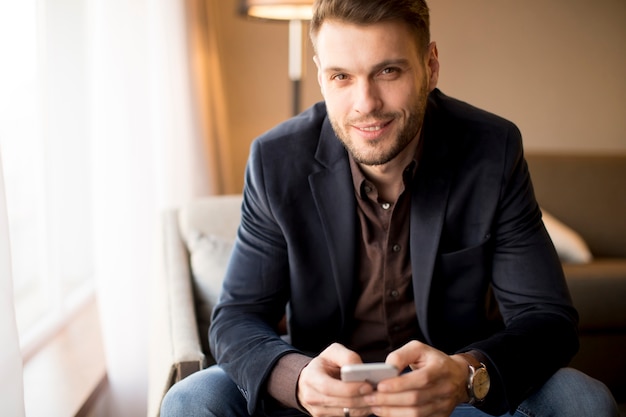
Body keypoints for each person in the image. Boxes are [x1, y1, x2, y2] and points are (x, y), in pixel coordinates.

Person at [161, 0, 619, 416]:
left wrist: (466, 374)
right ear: (321, 74)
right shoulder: (275, 160)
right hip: (319, 404)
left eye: (388, 72)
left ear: (430, 66)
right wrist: (298, 380)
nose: (366, 105)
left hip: (451, 402)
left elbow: (548, 319)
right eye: (342, 76)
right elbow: (236, 317)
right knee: (191, 399)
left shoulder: (491, 150)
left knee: (583, 399)